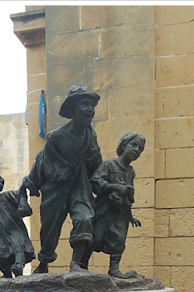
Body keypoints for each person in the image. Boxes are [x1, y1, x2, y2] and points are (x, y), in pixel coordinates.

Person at [21, 83, 102, 273]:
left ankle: (76, 264)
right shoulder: (56, 137)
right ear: (73, 108)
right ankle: (43, 263)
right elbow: (42, 162)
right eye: (84, 104)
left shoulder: (91, 135)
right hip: (56, 188)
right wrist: (29, 185)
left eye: (91, 105)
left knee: (84, 217)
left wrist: (105, 183)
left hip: (79, 186)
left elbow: (96, 165)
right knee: (50, 228)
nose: (90, 110)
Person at [81, 132, 146, 278]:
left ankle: (114, 269)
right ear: (124, 145)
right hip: (104, 209)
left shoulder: (130, 172)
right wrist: (113, 187)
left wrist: (131, 216)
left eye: (140, 148)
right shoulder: (109, 165)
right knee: (95, 237)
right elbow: (95, 182)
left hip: (121, 212)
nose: (136, 150)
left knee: (119, 239)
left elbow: (129, 194)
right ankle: (81, 266)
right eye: (133, 145)